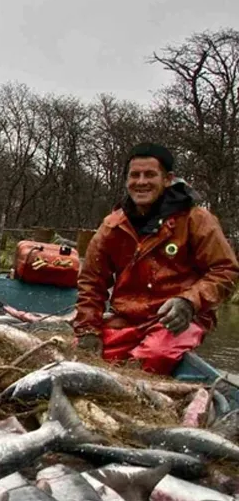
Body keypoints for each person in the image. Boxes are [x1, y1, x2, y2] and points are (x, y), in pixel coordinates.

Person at [73, 143, 238, 375]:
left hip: (178, 321)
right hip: (128, 319)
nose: (141, 182)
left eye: (150, 175)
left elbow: (225, 270)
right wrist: (88, 330)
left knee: (152, 357)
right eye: (134, 175)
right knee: (79, 357)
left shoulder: (196, 219)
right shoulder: (112, 225)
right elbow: (91, 282)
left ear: (168, 179)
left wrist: (189, 302)